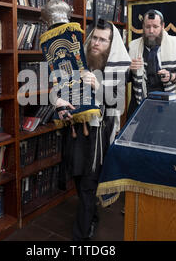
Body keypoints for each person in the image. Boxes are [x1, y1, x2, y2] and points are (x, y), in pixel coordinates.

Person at [55, 19, 131, 241]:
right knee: (78, 181)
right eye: (95, 38)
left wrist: (98, 86)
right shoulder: (79, 62)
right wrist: (58, 103)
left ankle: (81, 236)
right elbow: (60, 90)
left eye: (103, 40)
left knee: (88, 185)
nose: (97, 43)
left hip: (97, 137)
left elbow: (117, 105)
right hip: (75, 131)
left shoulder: (117, 67)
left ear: (111, 44)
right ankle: (92, 217)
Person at [127, 9, 176, 118]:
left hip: (167, 107)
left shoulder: (175, 44)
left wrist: (171, 76)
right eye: (147, 27)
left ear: (162, 26)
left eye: (155, 27)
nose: (151, 31)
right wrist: (129, 69)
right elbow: (121, 79)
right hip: (139, 106)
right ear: (143, 26)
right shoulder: (133, 46)